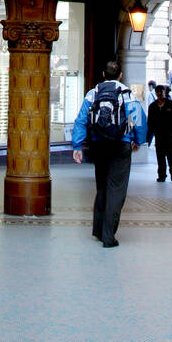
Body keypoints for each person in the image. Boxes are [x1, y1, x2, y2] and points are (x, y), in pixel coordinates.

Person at [71, 60, 146, 248]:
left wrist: (77, 146)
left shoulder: (93, 93)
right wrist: (137, 140)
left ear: (103, 74)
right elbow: (138, 119)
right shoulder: (127, 94)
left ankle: (97, 230)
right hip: (120, 145)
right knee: (116, 189)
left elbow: (81, 120)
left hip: (99, 145)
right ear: (120, 75)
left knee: (102, 186)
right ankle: (108, 236)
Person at [147, 84, 172, 181]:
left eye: (161, 92)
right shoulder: (152, 106)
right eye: (157, 92)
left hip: (170, 134)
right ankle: (162, 175)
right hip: (159, 135)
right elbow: (150, 122)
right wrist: (149, 135)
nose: (159, 94)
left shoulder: (171, 104)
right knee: (160, 156)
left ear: (164, 93)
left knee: (170, 155)